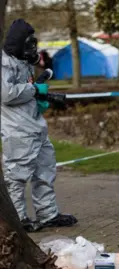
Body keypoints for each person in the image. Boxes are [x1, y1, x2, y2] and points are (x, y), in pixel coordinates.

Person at [1, 19, 78, 232]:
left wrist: (41, 98)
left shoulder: (23, 63)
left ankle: (48, 214)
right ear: (19, 43)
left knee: (45, 171)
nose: (32, 50)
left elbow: (26, 90)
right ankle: (19, 220)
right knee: (16, 176)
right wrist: (35, 91)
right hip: (17, 130)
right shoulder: (4, 64)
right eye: (29, 45)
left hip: (35, 126)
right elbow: (6, 94)